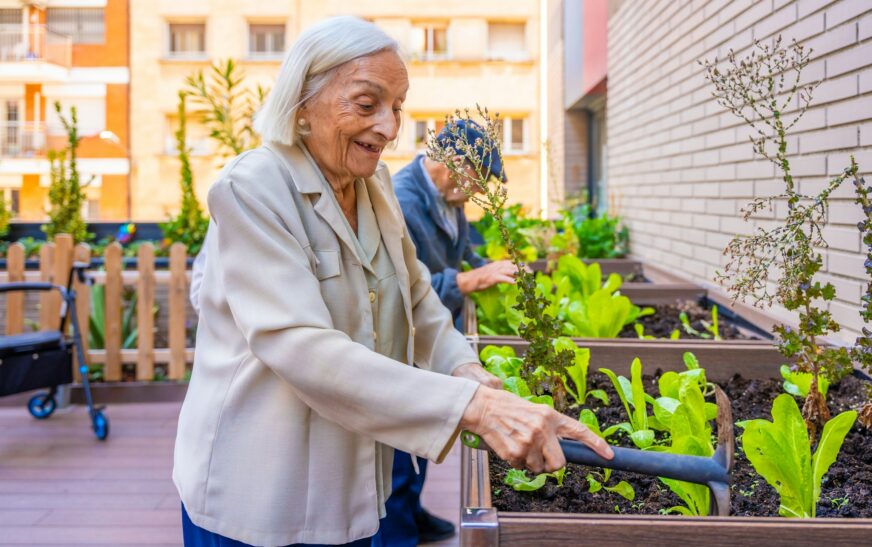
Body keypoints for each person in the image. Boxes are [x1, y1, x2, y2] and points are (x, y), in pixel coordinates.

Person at [174, 16, 611, 547]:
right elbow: (300, 347)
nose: (389, 127)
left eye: (398, 107)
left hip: (352, 483)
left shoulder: (373, 184)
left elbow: (418, 296)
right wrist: (474, 409)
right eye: (366, 104)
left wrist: (466, 369)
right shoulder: (252, 189)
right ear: (302, 104)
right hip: (261, 496)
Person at [380, 122, 517, 545]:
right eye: (481, 176)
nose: (480, 189)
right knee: (398, 449)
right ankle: (396, 531)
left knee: (420, 440)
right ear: (456, 163)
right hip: (404, 341)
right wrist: (473, 280)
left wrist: (491, 264)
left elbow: (461, 252)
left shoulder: (448, 196)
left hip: (434, 339)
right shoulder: (401, 199)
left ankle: (412, 514)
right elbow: (402, 286)